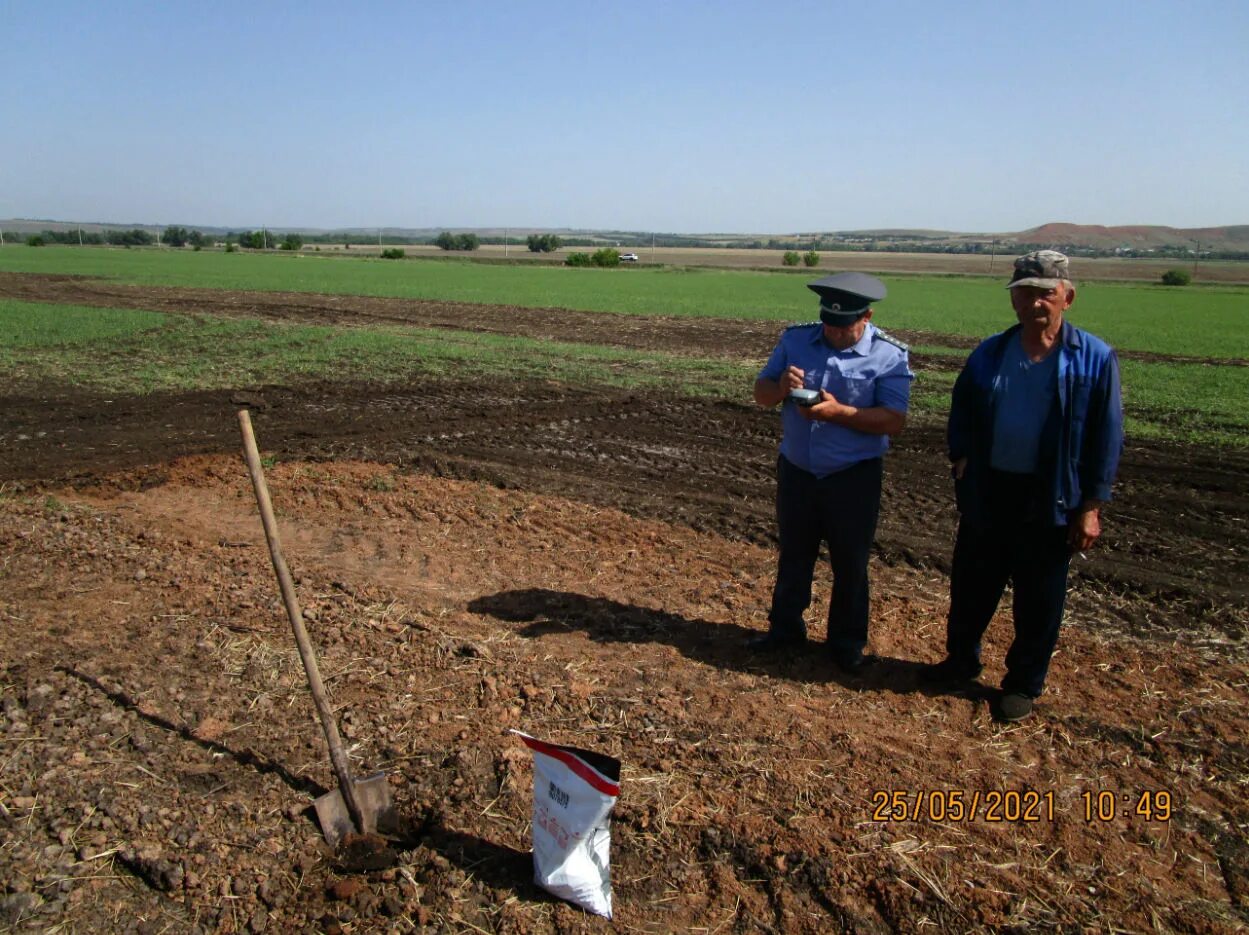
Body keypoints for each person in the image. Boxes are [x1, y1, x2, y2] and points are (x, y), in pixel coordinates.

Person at [921, 251, 1123, 721]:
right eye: (1024, 292)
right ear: (1013, 299)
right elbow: (963, 409)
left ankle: (1023, 684)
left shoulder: (1093, 358)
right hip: (990, 490)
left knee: (1039, 598)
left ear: (1067, 297)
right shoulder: (990, 351)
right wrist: (962, 459)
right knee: (971, 586)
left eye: (1045, 293)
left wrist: (1091, 505)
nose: (1035, 302)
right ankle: (960, 661)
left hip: (1051, 496)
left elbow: (1106, 437)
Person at [750, 272, 914, 673]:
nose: (835, 333)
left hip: (852, 477)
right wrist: (781, 388)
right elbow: (761, 395)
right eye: (829, 323)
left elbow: (894, 420)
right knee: (794, 555)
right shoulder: (794, 341)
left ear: (867, 316)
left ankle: (845, 643)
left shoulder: (890, 356)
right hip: (799, 471)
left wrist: (840, 413)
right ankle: (784, 630)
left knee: (850, 563)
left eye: (845, 326)